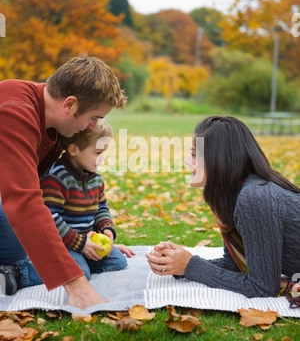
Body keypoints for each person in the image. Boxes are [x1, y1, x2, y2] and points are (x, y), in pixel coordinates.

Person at [0, 55, 127, 309]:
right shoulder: (14, 110)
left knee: (29, 246)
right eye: (93, 118)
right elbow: (24, 200)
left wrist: (92, 237)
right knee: (18, 251)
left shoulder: (58, 127)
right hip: (7, 200)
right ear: (69, 104)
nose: (93, 126)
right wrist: (75, 283)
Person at [146, 116, 300, 301]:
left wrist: (190, 266)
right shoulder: (234, 195)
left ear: (217, 159)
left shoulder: (254, 198)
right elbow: (234, 265)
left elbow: (263, 287)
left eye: (194, 154)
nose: (187, 161)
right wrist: (179, 263)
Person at [39, 120, 135, 281]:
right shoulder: (57, 178)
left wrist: (107, 229)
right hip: (61, 243)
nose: (102, 158)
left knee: (119, 262)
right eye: (98, 153)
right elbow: (50, 217)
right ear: (74, 150)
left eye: (104, 152)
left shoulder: (95, 178)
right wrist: (80, 243)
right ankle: (30, 269)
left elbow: (101, 207)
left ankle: (79, 259)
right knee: (80, 273)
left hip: (86, 240)